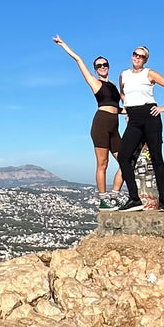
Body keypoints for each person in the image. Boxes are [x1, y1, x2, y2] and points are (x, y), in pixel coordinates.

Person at [52, 36, 124, 207]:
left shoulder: (113, 85)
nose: (102, 67)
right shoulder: (94, 82)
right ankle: (103, 199)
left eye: (105, 64)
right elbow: (78, 59)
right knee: (103, 163)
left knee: (126, 162)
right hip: (101, 124)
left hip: (115, 126)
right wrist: (63, 45)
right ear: (95, 69)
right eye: (99, 66)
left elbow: (118, 107)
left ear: (108, 66)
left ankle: (114, 196)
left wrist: (138, 111)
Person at [116, 46, 164, 212]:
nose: (137, 57)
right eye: (135, 54)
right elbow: (123, 94)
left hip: (150, 116)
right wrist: (127, 108)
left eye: (141, 56)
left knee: (157, 158)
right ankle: (134, 198)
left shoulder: (149, 73)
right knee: (123, 157)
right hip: (134, 119)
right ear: (131, 56)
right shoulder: (123, 75)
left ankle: (163, 202)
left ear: (145, 60)